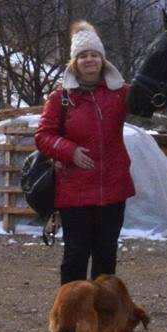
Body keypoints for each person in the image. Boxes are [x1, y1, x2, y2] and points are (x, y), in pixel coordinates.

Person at [35, 21, 135, 284]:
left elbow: (149, 101)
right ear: (74, 63)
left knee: (106, 258)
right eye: (83, 56)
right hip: (75, 191)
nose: (89, 60)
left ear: (102, 59)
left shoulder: (121, 93)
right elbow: (43, 136)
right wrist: (70, 151)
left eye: (94, 55)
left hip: (113, 189)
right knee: (75, 257)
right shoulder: (60, 98)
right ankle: (72, 309)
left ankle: (102, 309)